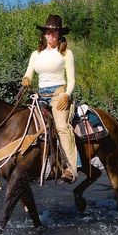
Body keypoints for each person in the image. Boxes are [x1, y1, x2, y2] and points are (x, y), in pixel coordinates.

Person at [21, 14, 78, 183]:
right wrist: (26, 80)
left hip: (58, 94)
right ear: (44, 33)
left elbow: (72, 79)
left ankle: (71, 168)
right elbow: (29, 73)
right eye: (48, 31)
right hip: (40, 95)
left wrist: (67, 95)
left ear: (59, 34)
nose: (51, 35)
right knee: (25, 125)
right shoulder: (35, 54)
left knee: (61, 127)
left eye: (54, 32)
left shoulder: (66, 53)